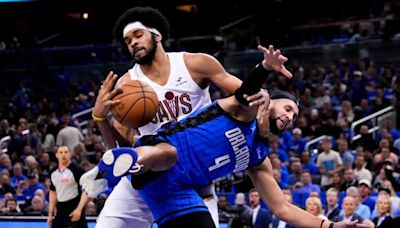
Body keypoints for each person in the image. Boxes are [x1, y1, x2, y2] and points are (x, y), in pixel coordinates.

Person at [82, 45, 368, 228]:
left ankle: (118, 163)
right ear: (270, 100)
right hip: (156, 157)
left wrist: (329, 226)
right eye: (289, 108)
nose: (291, 116)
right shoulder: (241, 110)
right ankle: (120, 164)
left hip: (178, 192)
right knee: (167, 155)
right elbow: (246, 91)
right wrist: (265, 68)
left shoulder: (259, 158)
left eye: (295, 116)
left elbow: (282, 208)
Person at [88, 6, 271, 228]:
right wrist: (100, 118)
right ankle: (104, 175)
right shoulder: (126, 85)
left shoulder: (195, 64)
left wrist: (260, 91)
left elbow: (243, 95)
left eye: (138, 35)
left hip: (192, 173)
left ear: (157, 35)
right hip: (148, 172)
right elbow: (121, 149)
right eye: (128, 41)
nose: (133, 43)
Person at [48, 146, 88, 228]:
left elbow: (86, 190)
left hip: (74, 206)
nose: (63, 154)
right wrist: (50, 214)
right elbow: (53, 192)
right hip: (60, 208)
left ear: (70, 154)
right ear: (57, 155)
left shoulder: (77, 170)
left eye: (66, 152)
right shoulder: (53, 172)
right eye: (61, 152)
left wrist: (79, 209)